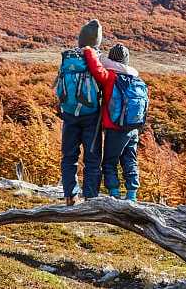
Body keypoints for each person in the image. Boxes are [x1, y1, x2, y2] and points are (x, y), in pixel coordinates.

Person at [82, 43, 141, 201]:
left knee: (109, 162)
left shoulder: (110, 77)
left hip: (116, 128)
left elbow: (95, 68)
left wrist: (88, 50)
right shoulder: (136, 79)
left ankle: (114, 195)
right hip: (133, 128)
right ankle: (132, 196)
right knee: (130, 160)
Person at [58, 19, 104, 205]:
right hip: (92, 115)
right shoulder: (96, 58)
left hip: (69, 114)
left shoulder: (68, 58)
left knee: (69, 156)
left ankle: (70, 195)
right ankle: (91, 200)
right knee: (92, 158)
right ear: (96, 42)